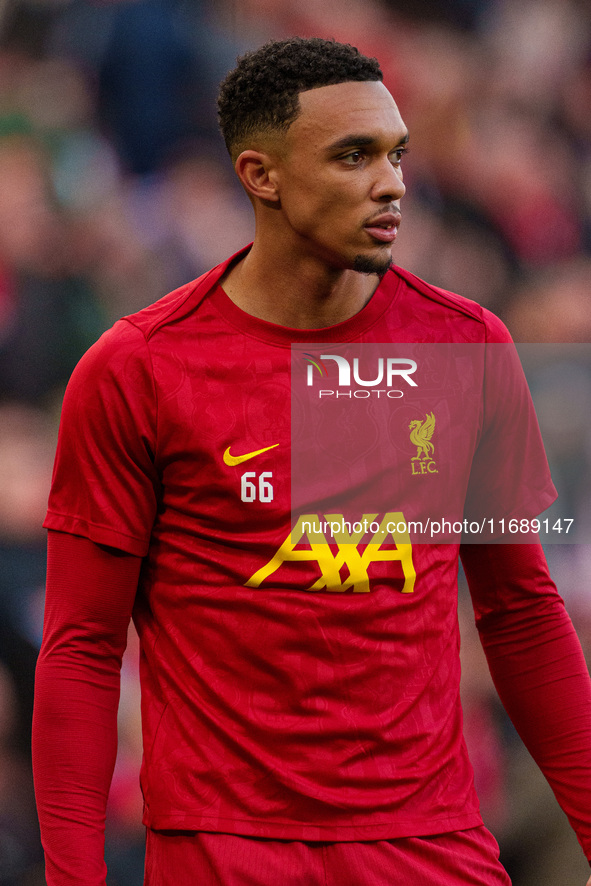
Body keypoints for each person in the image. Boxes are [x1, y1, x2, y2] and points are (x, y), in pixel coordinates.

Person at [33, 36, 591, 886]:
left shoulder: (463, 346)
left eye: (396, 153)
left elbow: (518, 613)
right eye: (352, 155)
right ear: (262, 175)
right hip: (224, 855)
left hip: (429, 848)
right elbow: (81, 648)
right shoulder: (139, 369)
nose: (392, 181)